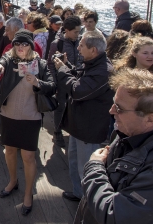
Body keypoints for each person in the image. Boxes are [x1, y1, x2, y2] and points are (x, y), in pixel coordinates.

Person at [75, 68, 153, 224]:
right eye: (114, 103)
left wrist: (94, 167)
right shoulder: (134, 132)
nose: (111, 110)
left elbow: (114, 216)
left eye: (119, 108)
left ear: (151, 119)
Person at [0, 29, 56, 216]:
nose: (20, 47)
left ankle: (28, 194)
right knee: (9, 150)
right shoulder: (9, 61)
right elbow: (0, 63)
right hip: (9, 115)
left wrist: (37, 82)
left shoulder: (40, 64)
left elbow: (51, 85)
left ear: (31, 46)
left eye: (24, 44)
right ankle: (13, 181)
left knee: (28, 157)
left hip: (31, 117)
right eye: (17, 44)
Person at [53, 30, 114, 202]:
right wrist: (69, 68)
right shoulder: (93, 64)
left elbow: (78, 91)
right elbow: (81, 82)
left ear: (93, 50)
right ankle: (79, 193)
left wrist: (63, 70)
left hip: (89, 128)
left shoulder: (103, 71)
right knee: (74, 162)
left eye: (81, 45)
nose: (78, 48)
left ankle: (90, 204)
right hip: (79, 125)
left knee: (86, 168)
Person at [0, 17, 25, 140]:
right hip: (25, 91)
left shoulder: (11, 49)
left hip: (12, 89)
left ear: (16, 30)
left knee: (8, 113)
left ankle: (8, 136)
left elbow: (0, 70)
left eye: (7, 30)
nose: (5, 33)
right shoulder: (34, 47)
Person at [47, 15, 83, 147]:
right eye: (76, 32)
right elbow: (50, 64)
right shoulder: (57, 44)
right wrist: (54, 83)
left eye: (79, 31)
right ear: (67, 30)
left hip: (77, 79)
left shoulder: (81, 42)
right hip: (62, 81)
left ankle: (72, 129)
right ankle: (57, 131)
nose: (78, 34)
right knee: (60, 107)